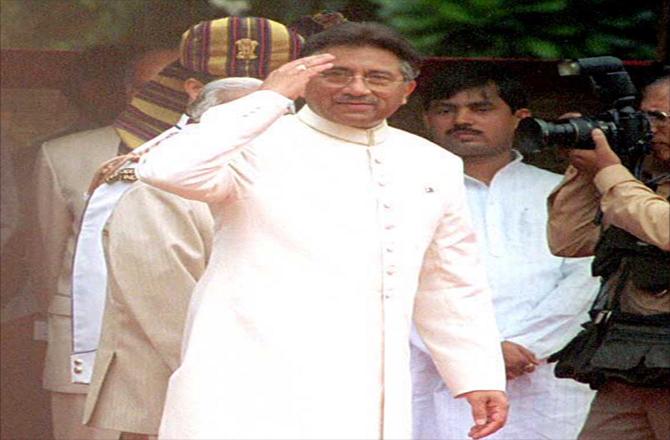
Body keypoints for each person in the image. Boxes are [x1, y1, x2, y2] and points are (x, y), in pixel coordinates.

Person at [136, 21, 507, 439]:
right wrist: (270, 96)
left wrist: (477, 374)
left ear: (407, 90)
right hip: (250, 382)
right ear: (306, 79)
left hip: (368, 385)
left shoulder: (431, 163)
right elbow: (164, 169)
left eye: (378, 77)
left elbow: (449, 280)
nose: (357, 89)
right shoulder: (252, 143)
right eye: (337, 74)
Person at [411, 64, 599, 439]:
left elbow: (586, 277)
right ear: (426, 118)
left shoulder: (561, 191)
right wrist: (468, 356)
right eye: (446, 109)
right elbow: (389, 283)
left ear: (519, 118)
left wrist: (525, 345)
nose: (461, 120)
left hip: (544, 373)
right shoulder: (404, 192)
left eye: (481, 109)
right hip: (436, 371)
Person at [32, 46, 177, 440]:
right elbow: (49, 258)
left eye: (177, 85)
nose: (165, 97)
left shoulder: (227, 155)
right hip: (87, 340)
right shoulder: (64, 155)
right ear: (129, 91)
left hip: (185, 347)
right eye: (152, 87)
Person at [548, 73, 669, 440]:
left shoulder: (627, 187)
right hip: (633, 360)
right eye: (646, 116)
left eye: (661, 118)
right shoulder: (643, 184)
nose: (650, 128)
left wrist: (609, 173)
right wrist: (585, 169)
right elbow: (571, 240)